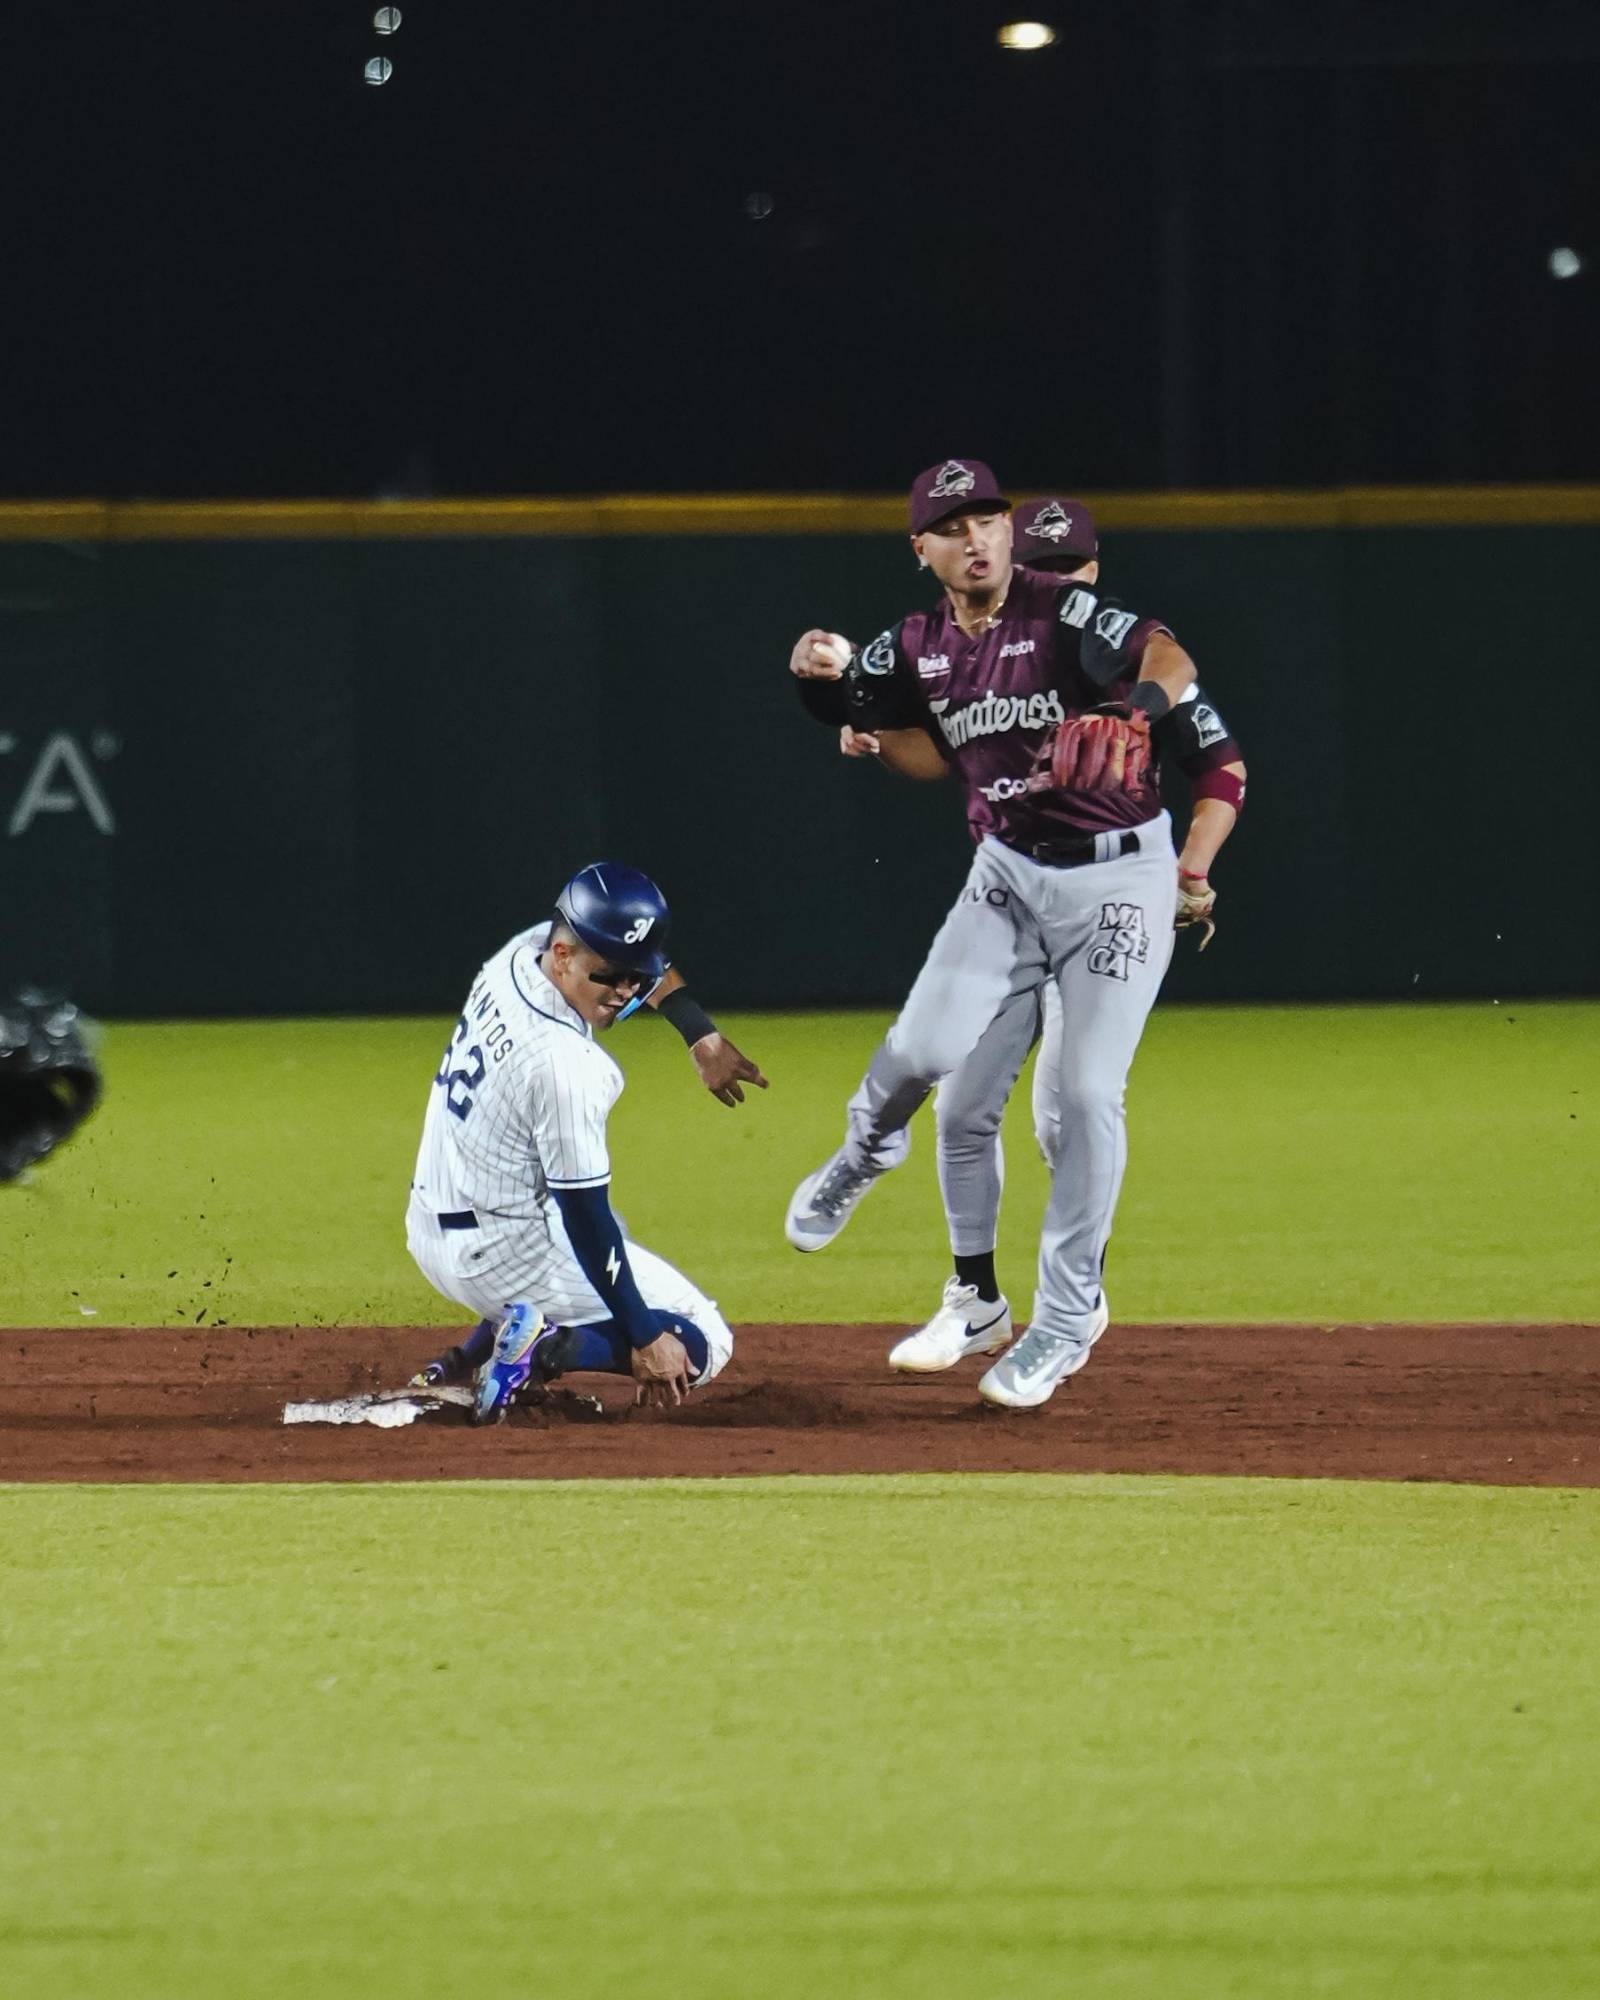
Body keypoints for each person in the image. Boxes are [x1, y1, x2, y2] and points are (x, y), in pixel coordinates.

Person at [785, 460, 1246, 1408]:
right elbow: (899, 734)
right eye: (954, 528)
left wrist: (1134, 709)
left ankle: (1068, 1321)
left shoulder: (1063, 612)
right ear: (923, 550)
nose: (979, 537)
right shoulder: (913, 643)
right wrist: (822, 689)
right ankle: (866, 1156)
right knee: (923, 1056)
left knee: (1083, 1094)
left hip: (1121, 876)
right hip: (1008, 873)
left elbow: (1173, 661)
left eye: (989, 518)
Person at [405, 862, 765, 1422]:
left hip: (429, 1222)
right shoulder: (565, 1065)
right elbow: (585, 1220)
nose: (624, 992)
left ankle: (468, 1354)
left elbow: (633, 957)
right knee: (703, 1340)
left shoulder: (521, 956)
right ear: (566, 957)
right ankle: (543, 1350)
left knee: (566, 1205)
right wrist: (645, 1337)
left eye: (635, 977)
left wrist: (698, 1031)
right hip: (499, 1255)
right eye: (610, 976)